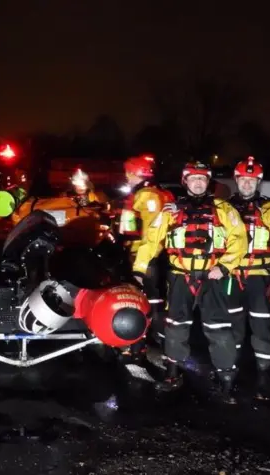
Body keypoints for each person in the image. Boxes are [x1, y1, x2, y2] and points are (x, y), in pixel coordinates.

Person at [133, 161, 247, 403]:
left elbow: (239, 240)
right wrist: (140, 268)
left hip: (212, 277)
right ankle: (172, 374)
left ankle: (226, 380)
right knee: (175, 326)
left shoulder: (223, 210)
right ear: (185, 182)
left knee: (219, 330)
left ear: (208, 183)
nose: (198, 183)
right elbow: (152, 239)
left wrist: (224, 266)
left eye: (202, 179)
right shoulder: (171, 210)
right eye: (193, 178)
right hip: (180, 277)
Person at [228, 156, 270, 400]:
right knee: (233, 329)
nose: (246, 185)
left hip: (259, 278)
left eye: (251, 181)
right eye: (243, 180)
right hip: (232, 277)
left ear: (258, 183)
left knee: (261, 329)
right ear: (237, 181)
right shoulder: (224, 209)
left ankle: (264, 375)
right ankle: (228, 372)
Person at [118, 155, 174, 379]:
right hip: (144, 256)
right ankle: (154, 347)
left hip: (147, 258)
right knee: (152, 304)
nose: (127, 177)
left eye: (129, 173)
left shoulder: (148, 196)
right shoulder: (149, 193)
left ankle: (138, 349)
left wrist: (140, 266)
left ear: (138, 174)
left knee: (146, 304)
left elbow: (153, 234)